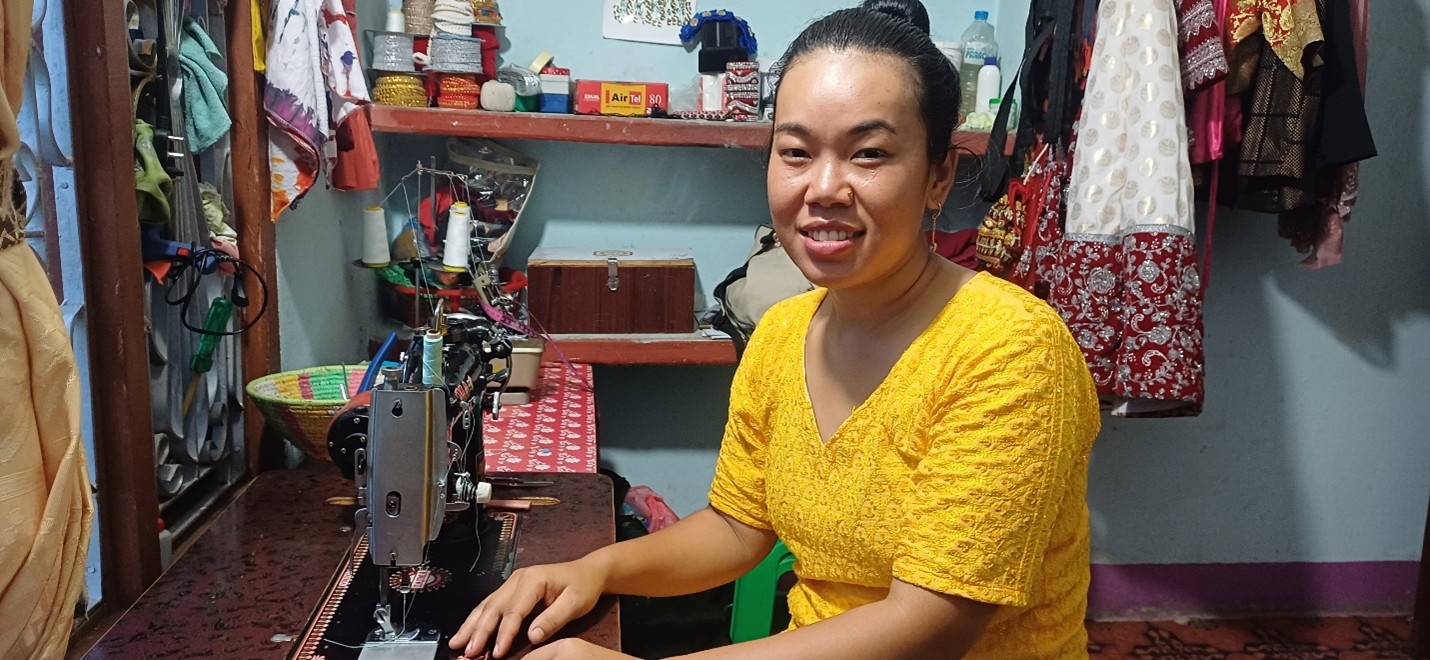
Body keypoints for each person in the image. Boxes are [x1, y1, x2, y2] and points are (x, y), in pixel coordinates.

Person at [452, 1, 1099, 657]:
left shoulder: (1009, 349)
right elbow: (737, 528)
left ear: (938, 176)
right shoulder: (784, 333)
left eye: (868, 153)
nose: (823, 187)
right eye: (795, 152)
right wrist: (591, 568)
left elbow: (930, 624)